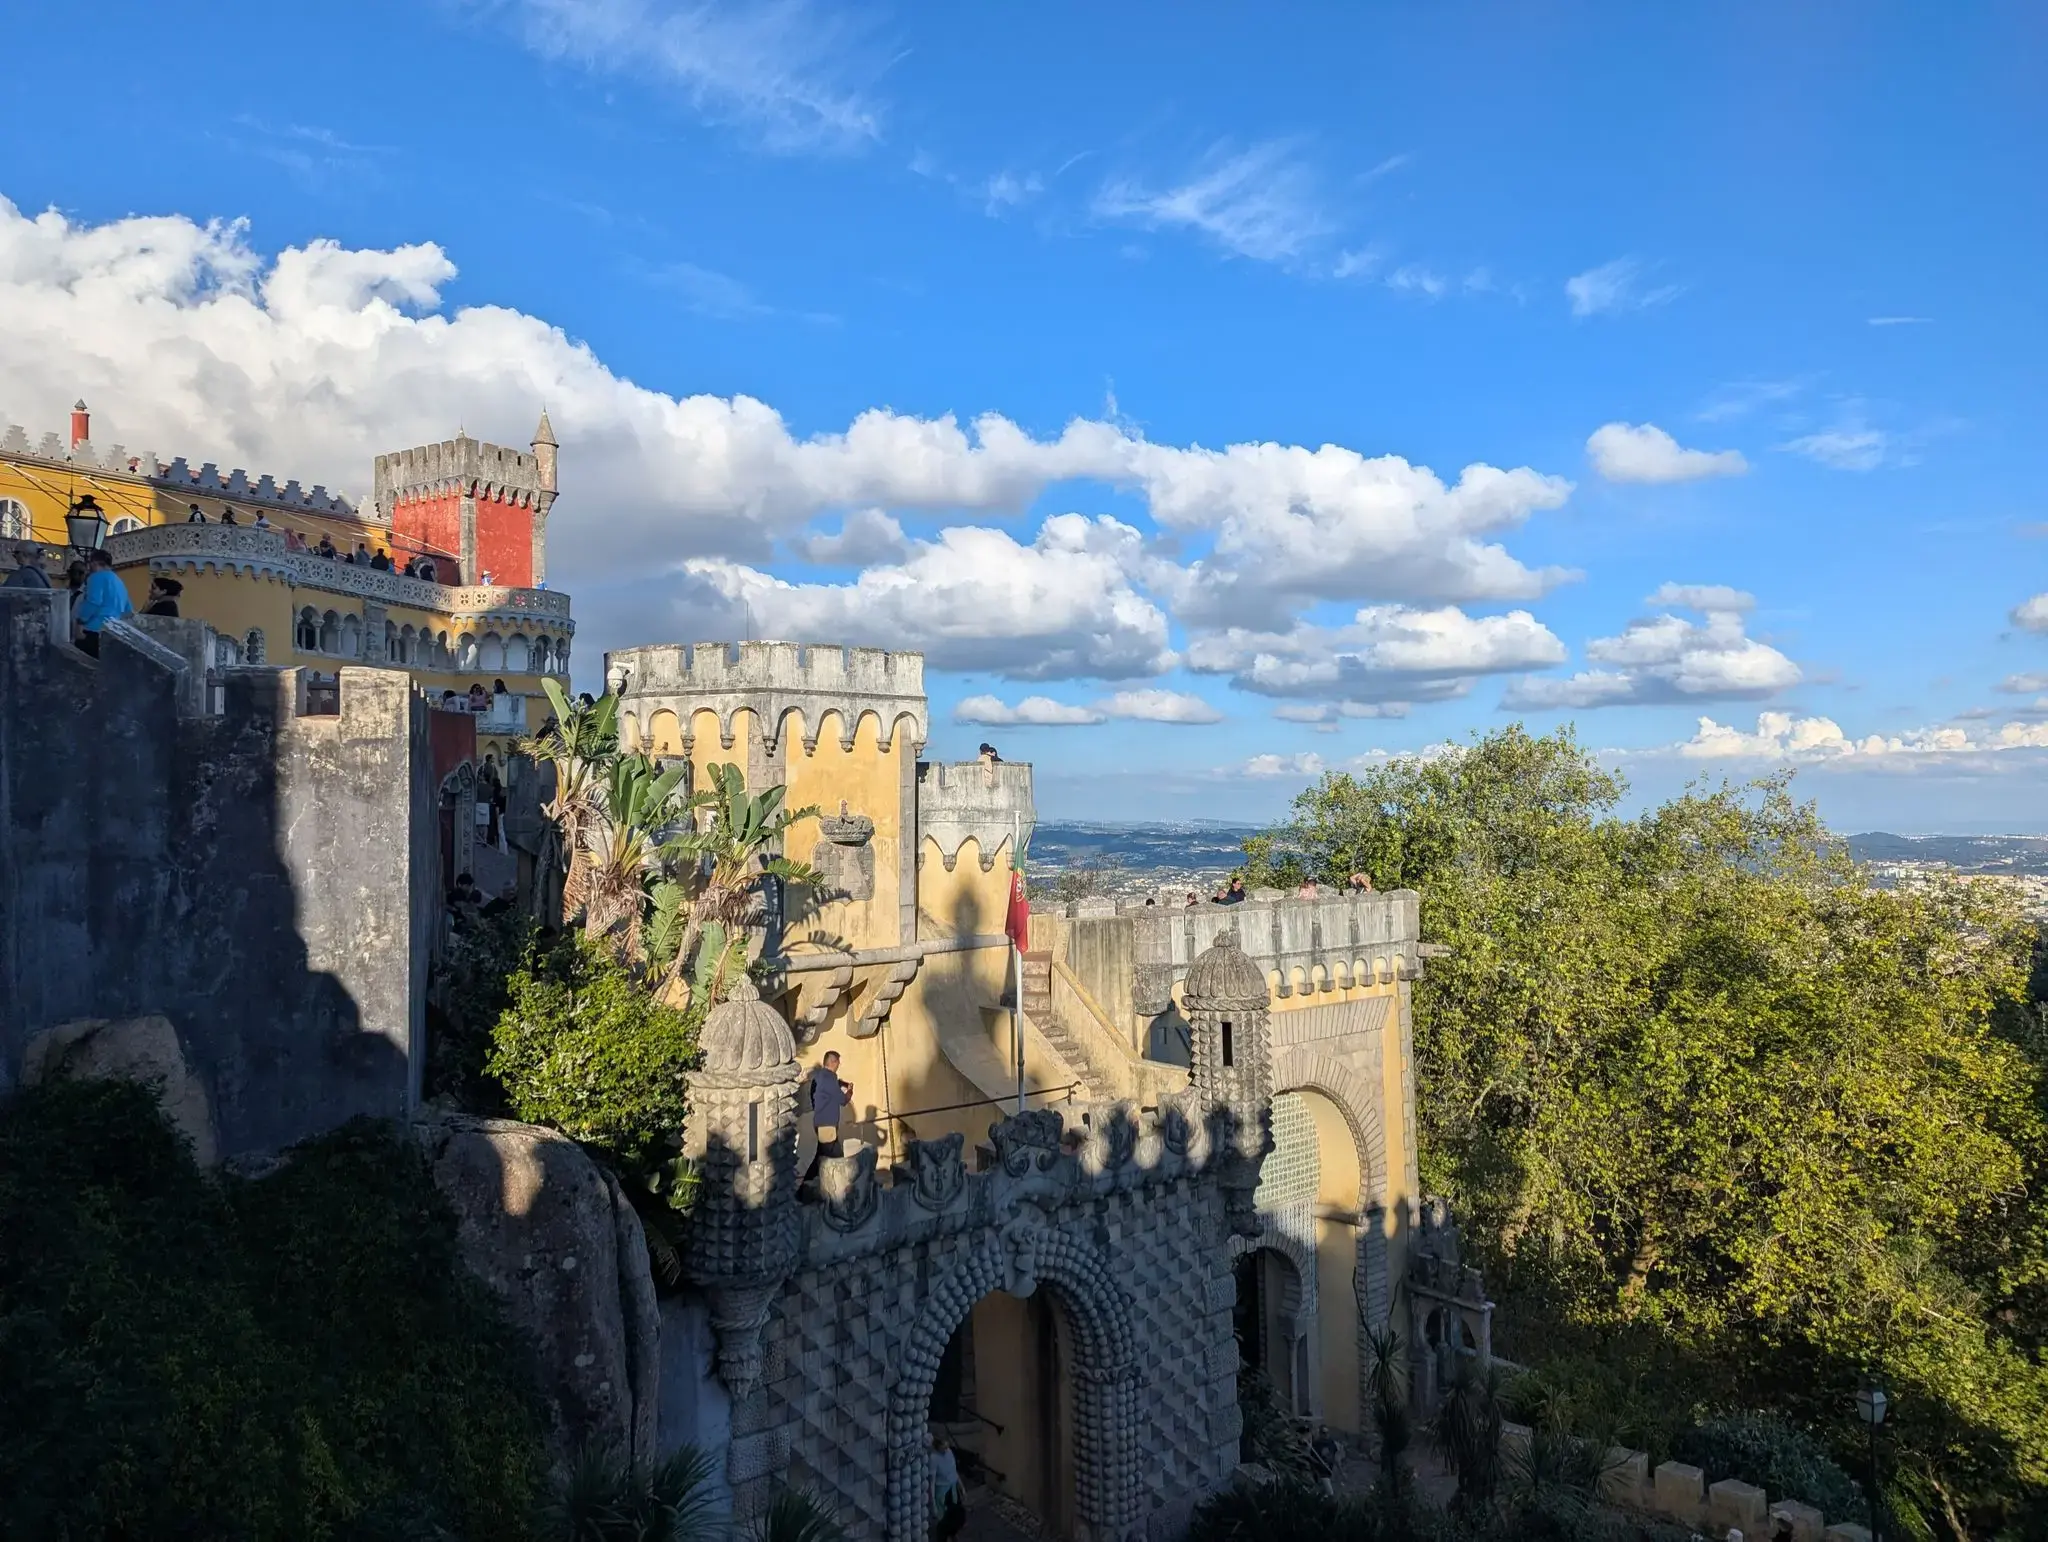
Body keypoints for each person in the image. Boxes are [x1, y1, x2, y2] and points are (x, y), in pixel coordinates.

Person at [72, 548, 133, 657]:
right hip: (113, 633)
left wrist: (80, 622)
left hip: (93, 631)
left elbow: (93, 602)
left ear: (94, 563)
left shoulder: (95, 577)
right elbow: (128, 610)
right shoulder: (119, 582)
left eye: (89, 563)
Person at [802, 1051, 853, 1181]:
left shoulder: (820, 1076)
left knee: (823, 1157)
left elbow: (833, 1086)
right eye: (837, 1062)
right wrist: (850, 1091)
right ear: (832, 1062)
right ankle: (806, 1188)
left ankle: (807, 1188)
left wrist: (842, 1083)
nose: (839, 1064)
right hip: (827, 1126)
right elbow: (843, 1100)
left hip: (821, 1123)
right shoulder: (830, 1078)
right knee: (834, 1158)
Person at [929, 1434, 965, 1541]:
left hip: (952, 1488)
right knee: (943, 1520)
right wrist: (933, 1503)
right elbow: (932, 1481)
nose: (946, 1448)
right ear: (938, 1446)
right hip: (942, 1491)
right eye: (943, 1447)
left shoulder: (949, 1452)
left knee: (959, 1515)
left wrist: (961, 1486)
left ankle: (952, 1533)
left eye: (946, 1446)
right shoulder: (934, 1458)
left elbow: (954, 1471)